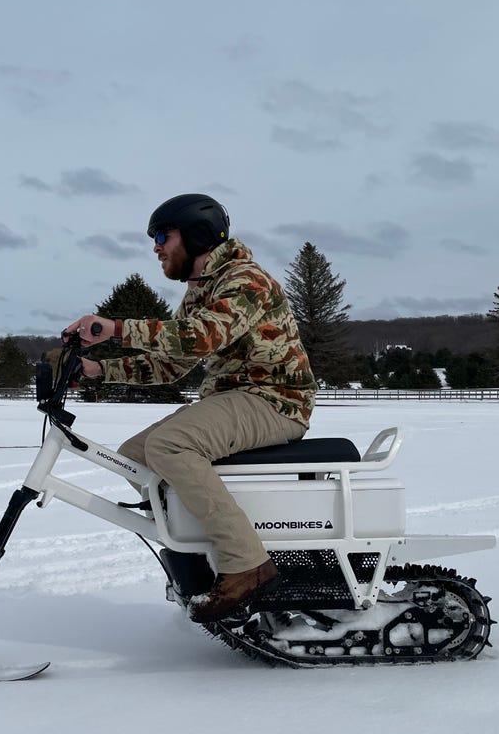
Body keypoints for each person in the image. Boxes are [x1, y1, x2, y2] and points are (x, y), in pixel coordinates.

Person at [65, 193, 317, 623]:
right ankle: (194, 553)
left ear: (197, 235)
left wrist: (116, 327)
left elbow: (197, 338)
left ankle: (246, 564)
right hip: (235, 399)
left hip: (275, 400)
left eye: (163, 235)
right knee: (135, 454)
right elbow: (170, 364)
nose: (156, 247)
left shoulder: (244, 280)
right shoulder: (202, 289)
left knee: (170, 445)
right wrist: (95, 369)